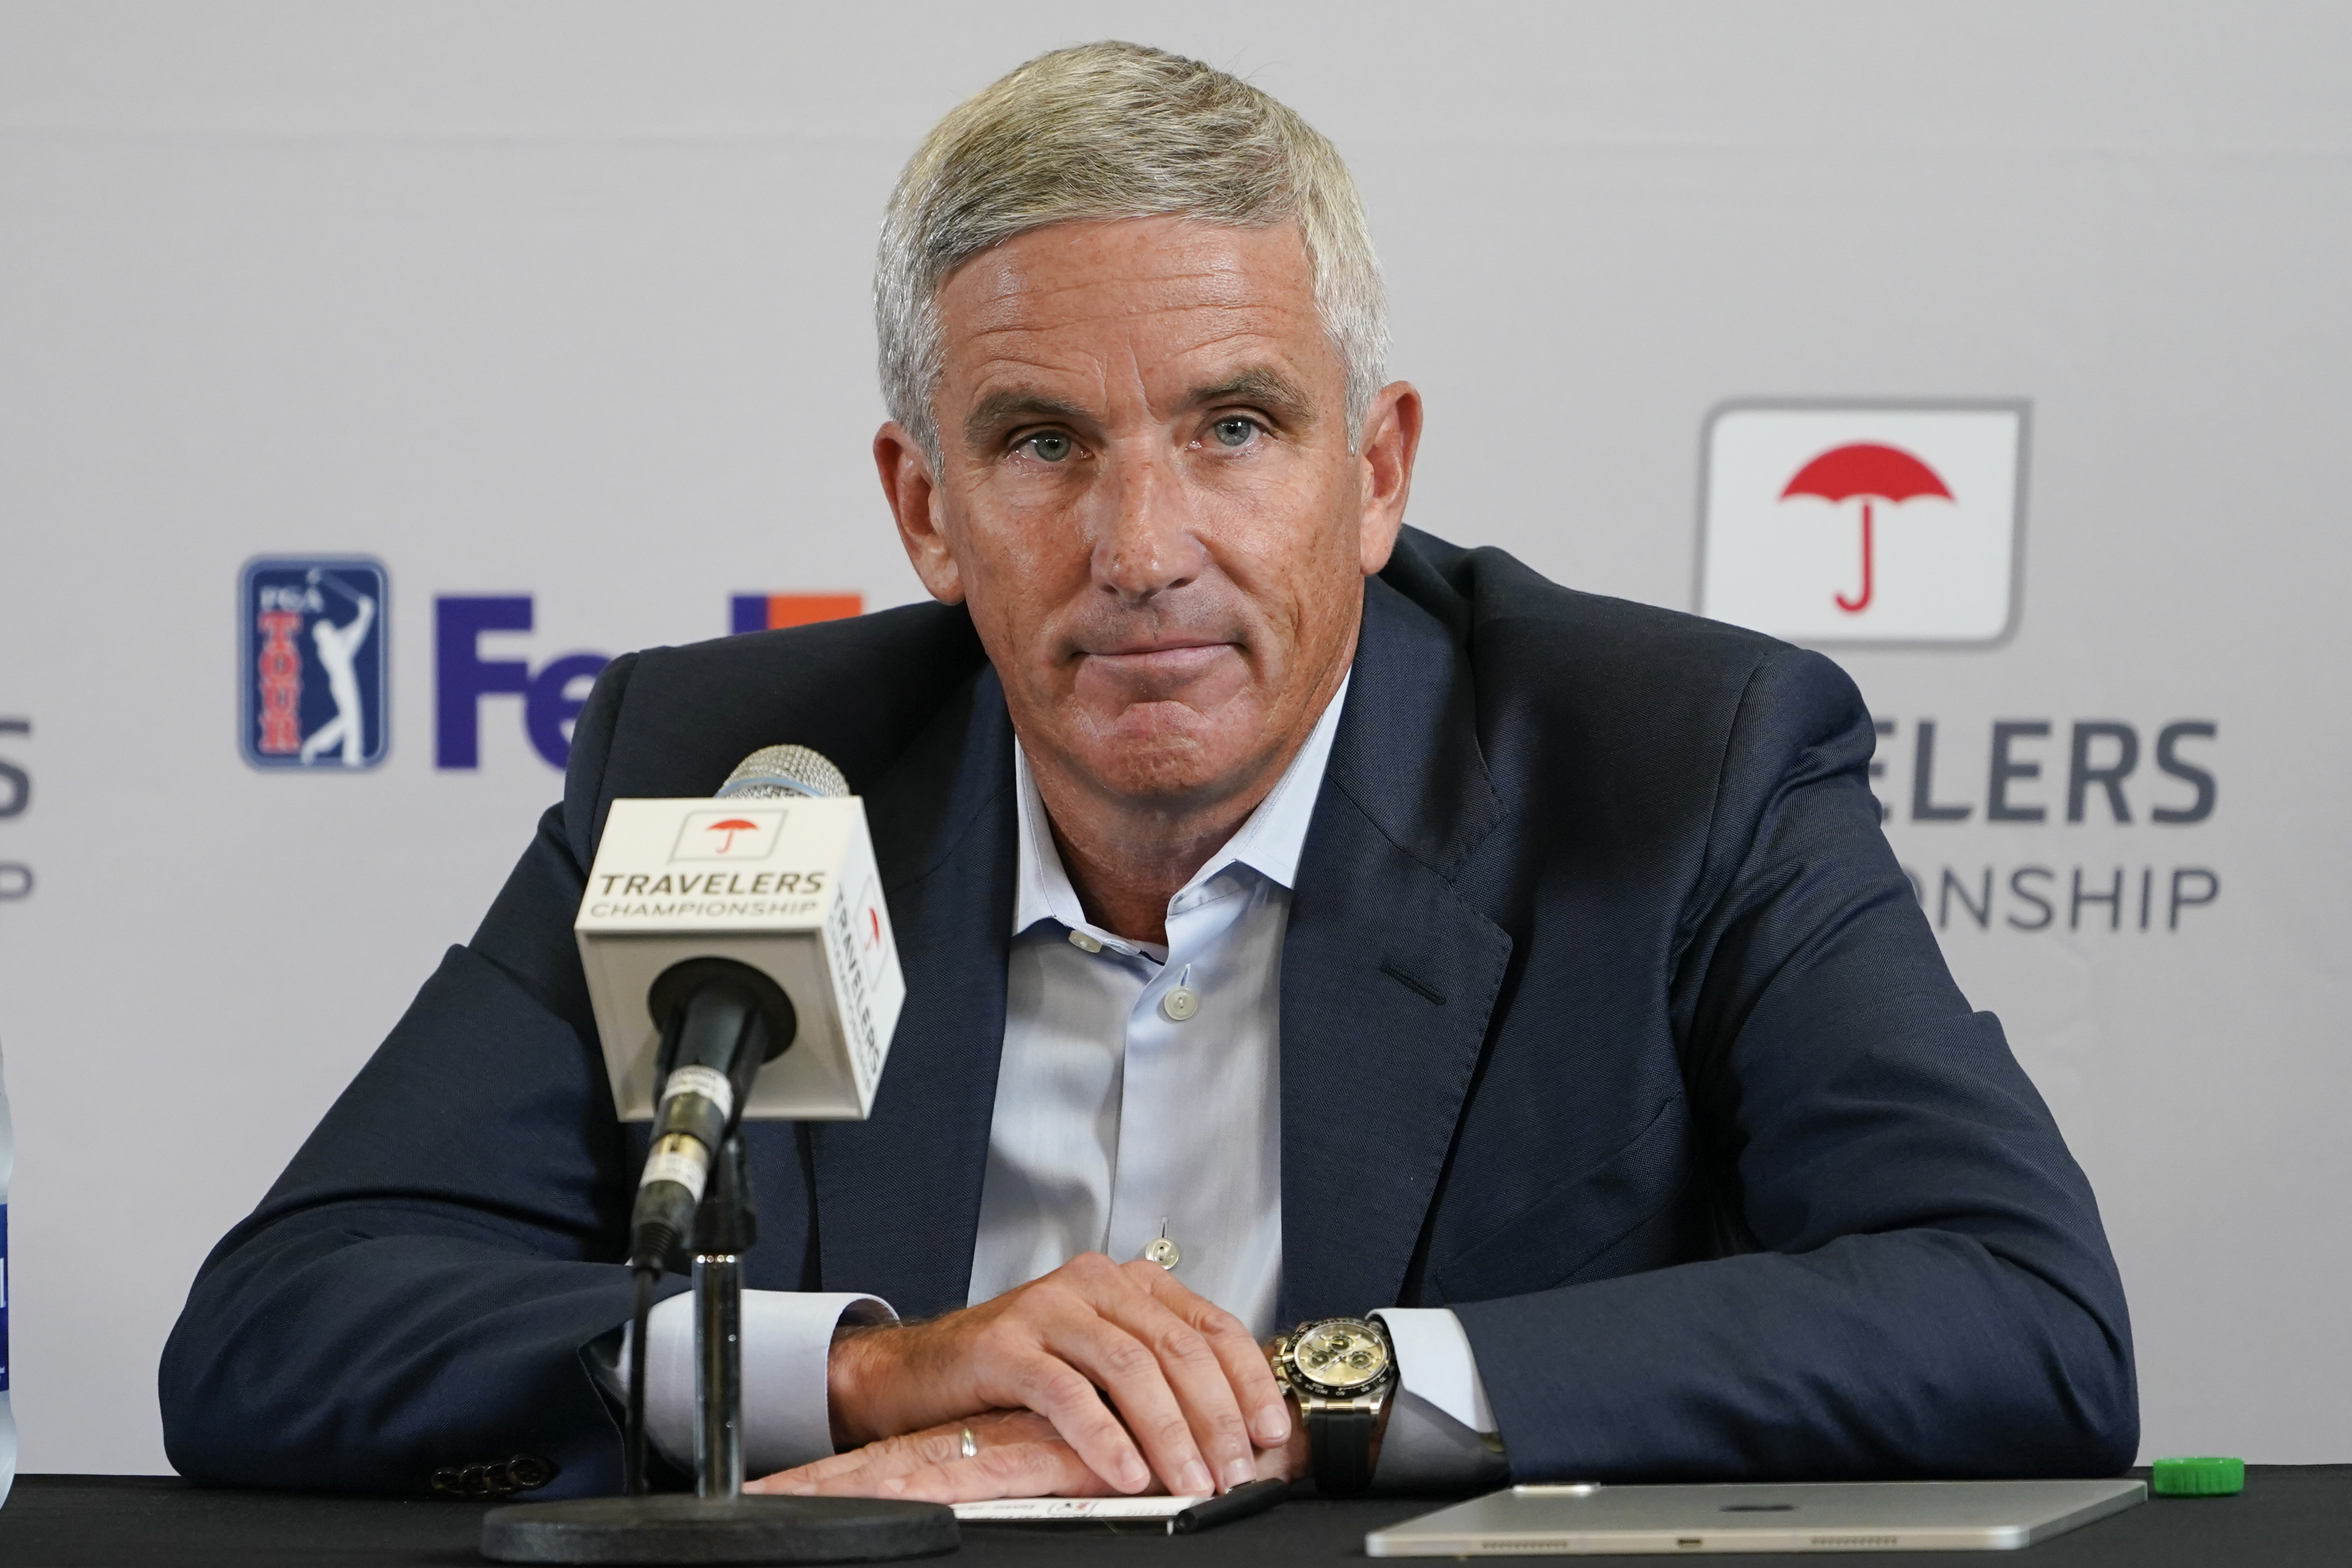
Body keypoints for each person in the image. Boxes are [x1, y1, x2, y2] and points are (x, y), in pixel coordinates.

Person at [160, 42, 2135, 1503]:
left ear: (1373, 471)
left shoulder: (1673, 763)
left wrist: (1297, 1390)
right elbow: (279, 1328)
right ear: (923, 508)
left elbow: (2018, 1310)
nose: (1142, 543)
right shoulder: (727, 774)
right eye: (1038, 443)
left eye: (1235, 424)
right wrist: (877, 1376)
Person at [296, 580, 375, 767]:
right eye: (328, 630)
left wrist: (365, 614)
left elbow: (352, 634)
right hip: (342, 684)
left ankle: (338, 752)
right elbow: (354, 634)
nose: (332, 630)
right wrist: (365, 615)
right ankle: (336, 752)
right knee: (352, 720)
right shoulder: (329, 650)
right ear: (321, 637)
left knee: (349, 720)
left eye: (331, 628)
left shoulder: (334, 644)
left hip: (345, 681)